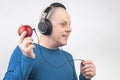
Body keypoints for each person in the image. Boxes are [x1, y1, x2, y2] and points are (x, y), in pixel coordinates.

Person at [3, 2, 96, 80]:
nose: (70, 29)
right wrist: (27, 59)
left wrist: (85, 77)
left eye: (69, 24)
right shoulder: (24, 51)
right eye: (63, 24)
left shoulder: (68, 58)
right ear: (45, 26)